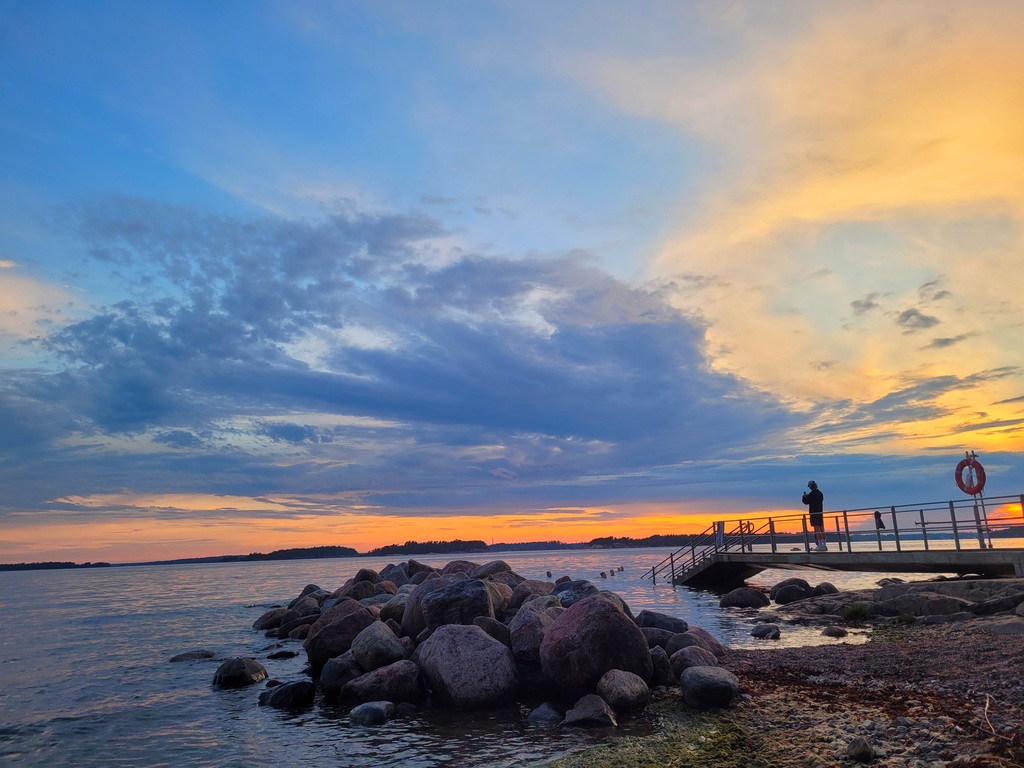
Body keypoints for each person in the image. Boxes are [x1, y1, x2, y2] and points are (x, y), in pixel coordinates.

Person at [801, 480, 826, 550]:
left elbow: (806, 502)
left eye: (809, 486)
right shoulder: (820, 493)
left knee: (817, 529)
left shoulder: (812, 494)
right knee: (821, 528)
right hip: (820, 512)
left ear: (811, 486)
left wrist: (804, 497)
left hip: (814, 513)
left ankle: (820, 546)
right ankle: (824, 545)